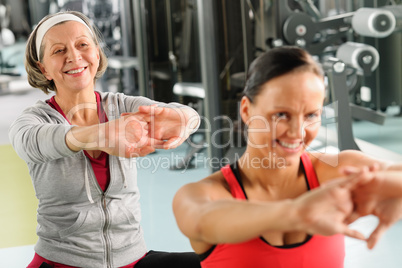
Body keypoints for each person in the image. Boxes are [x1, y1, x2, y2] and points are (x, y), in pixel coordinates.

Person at [172, 46, 402, 268]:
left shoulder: (338, 170)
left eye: (311, 114)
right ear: (246, 111)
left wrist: (394, 188)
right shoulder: (201, 194)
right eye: (281, 114)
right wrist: (297, 213)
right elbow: (201, 221)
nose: (298, 132)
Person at [9, 11, 201, 268]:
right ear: (44, 69)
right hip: (62, 262)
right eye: (58, 51)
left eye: (82, 45)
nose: (74, 56)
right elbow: (30, 142)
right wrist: (102, 135)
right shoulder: (36, 120)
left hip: (132, 259)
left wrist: (183, 120)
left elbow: (188, 115)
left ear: (96, 54)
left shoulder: (122, 105)